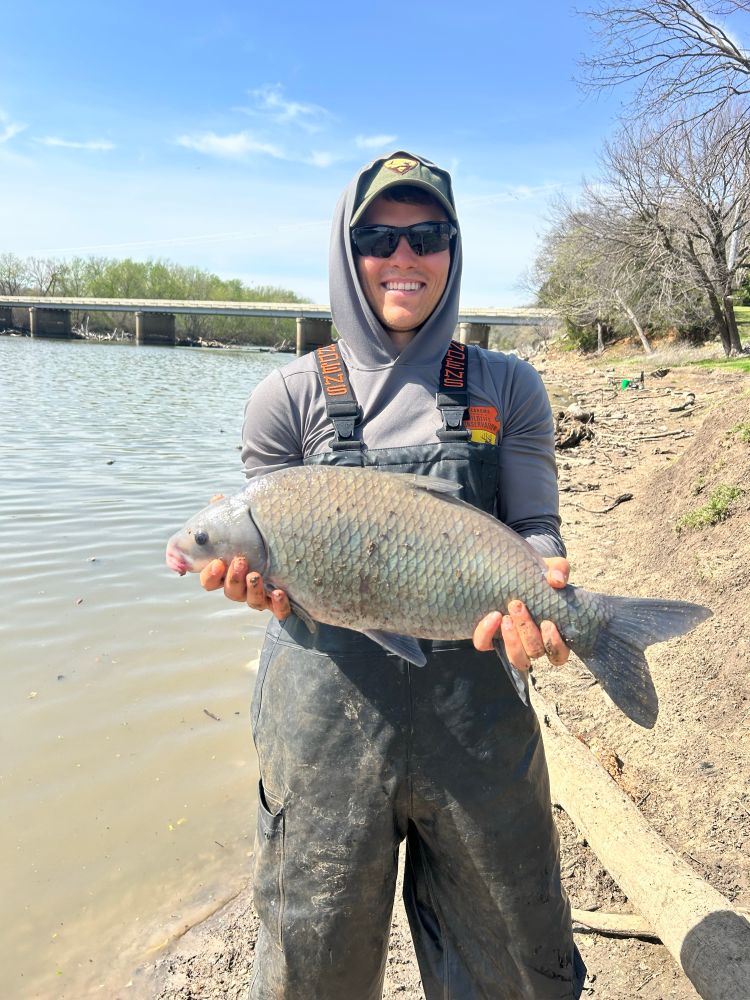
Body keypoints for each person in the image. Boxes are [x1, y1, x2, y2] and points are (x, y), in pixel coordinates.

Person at [201, 151, 586, 999]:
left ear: (453, 249)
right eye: (379, 236)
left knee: (515, 967)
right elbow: (271, 569)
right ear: (348, 249)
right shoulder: (286, 398)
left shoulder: (508, 385)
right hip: (322, 735)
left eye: (427, 236)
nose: (404, 256)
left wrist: (551, 588)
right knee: (313, 966)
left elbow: (533, 527)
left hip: (479, 724)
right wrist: (249, 584)